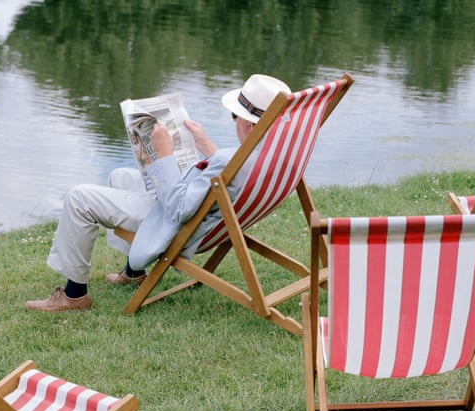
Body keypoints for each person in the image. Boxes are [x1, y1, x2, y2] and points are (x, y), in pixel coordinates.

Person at [26, 74, 291, 312]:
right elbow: (232, 174)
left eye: (235, 116)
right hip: (206, 215)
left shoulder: (230, 159)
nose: (233, 121)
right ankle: (134, 271)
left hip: (177, 224)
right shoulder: (272, 157)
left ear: (251, 126)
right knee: (120, 176)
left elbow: (177, 209)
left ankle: (74, 296)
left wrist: (164, 154)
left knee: (79, 197)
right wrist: (204, 145)